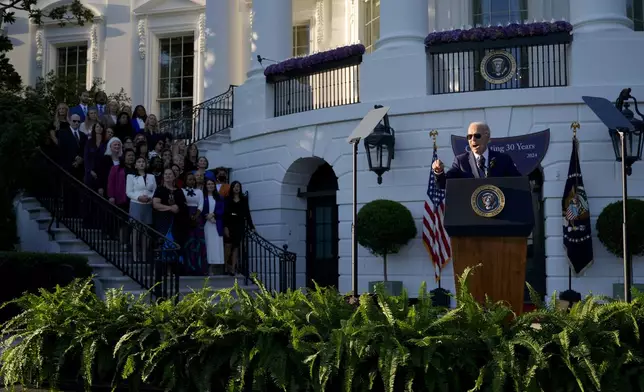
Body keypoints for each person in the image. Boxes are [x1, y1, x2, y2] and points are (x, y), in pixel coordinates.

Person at [432, 122, 521, 189]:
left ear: (488, 138)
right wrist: (439, 172)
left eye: (477, 136)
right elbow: (443, 184)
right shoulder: (461, 161)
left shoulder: (503, 159)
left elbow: (518, 183)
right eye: (469, 137)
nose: (473, 139)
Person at [223, 181, 254, 276]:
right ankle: (224, 266)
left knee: (236, 246)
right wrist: (225, 226)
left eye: (238, 186)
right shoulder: (228, 199)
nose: (236, 188)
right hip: (230, 224)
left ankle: (233, 268)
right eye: (235, 186)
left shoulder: (243, 199)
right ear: (232, 188)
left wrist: (251, 226)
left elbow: (247, 213)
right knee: (228, 245)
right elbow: (225, 214)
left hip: (239, 224)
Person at [203, 178, 225, 274]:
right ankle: (205, 268)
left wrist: (214, 215)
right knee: (206, 244)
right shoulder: (202, 196)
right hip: (205, 224)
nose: (210, 186)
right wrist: (207, 216)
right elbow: (200, 207)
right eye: (208, 184)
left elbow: (222, 209)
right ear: (205, 186)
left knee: (214, 245)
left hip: (215, 223)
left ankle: (212, 268)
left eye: (212, 184)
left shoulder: (219, 197)